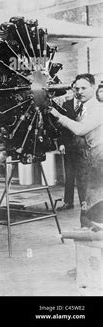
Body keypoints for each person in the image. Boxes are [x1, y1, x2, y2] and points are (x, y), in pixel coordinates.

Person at [50, 73, 103, 227]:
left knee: (95, 199)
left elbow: (80, 130)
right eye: (77, 88)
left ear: (93, 87)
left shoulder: (99, 109)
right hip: (86, 160)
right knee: (85, 198)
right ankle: (87, 229)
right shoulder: (83, 108)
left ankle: (93, 232)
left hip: (98, 160)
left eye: (84, 88)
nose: (80, 91)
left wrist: (58, 115)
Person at [57, 82, 86, 211]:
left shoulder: (87, 105)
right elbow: (61, 127)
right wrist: (61, 143)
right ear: (72, 90)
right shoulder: (66, 105)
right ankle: (68, 202)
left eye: (80, 88)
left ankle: (85, 203)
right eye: (75, 89)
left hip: (83, 146)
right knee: (69, 176)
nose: (77, 91)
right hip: (68, 145)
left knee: (83, 176)